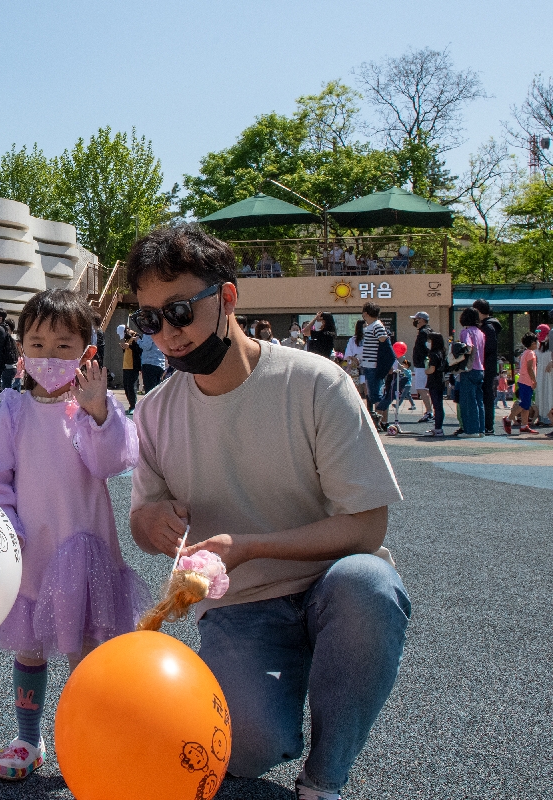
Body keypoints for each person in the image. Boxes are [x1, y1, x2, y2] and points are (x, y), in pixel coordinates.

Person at [125, 225, 408, 800]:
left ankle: (324, 778)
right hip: (239, 607)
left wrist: (252, 546)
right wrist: (148, 525)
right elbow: (142, 520)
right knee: (246, 750)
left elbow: (367, 527)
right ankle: (275, 696)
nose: (167, 335)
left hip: (331, 584)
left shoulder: (315, 384)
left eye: (179, 311)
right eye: (149, 319)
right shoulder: (154, 412)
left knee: (370, 585)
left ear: (228, 299)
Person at [0, 288, 145, 781]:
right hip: (33, 547)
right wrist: (8, 532)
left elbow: (112, 461)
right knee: (30, 647)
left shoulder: (90, 407)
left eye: (63, 346)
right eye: (38, 344)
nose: (49, 358)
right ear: (21, 349)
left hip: (86, 545)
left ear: (87, 352)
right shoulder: (10, 409)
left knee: (86, 651)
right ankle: (28, 739)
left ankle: (89, 735)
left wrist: (99, 413)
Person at [359, 302, 391, 428]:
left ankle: (378, 421)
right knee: (373, 394)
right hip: (369, 364)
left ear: (366, 313)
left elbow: (383, 339)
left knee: (375, 395)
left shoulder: (377, 326)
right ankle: (381, 421)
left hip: (373, 365)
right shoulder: (372, 326)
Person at [473, 300, 503, 435]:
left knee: (486, 396)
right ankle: (486, 425)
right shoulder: (490, 325)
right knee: (487, 395)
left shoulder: (488, 327)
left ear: (479, 311)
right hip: (488, 366)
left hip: (485, 366)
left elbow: (488, 349)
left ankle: (488, 425)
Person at [503, 332, 540, 435]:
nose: (537, 343)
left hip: (523, 381)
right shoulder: (531, 353)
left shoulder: (525, 353)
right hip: (527, 381)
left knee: (526, 405)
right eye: (536, 342)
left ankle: (524, 425)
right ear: (533, 343)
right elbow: (530, 368)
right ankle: (508, 419)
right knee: (525, 404)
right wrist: (534, 380)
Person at [457, 307, 486, 437]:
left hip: (468, 369)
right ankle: (481, 429)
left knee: (468, 401)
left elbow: (467, 347)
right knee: (479, 401)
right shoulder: (481, 333)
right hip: (480, 368)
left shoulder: (466, 331)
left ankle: (471, 430)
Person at [409, 312, 434, 423]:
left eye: (416, 319)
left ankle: (429, 412)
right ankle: (430, 411)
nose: (415, 321)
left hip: (422, 365)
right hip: (424, 364)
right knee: (426, 389)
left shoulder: (424, 332)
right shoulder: (427, 331)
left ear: (422, 320)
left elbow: (427, 349)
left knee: (421, 388)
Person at [424, 332, 449, 437]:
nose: (428, 342)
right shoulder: (442, 352)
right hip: (440, 381)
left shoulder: (433, 354)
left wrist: (426, 370)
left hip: (433, 381)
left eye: (429, 340)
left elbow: (431, 369)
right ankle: (438, 427)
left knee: (436, 405)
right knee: (439, 405)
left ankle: (438, 428)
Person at [535, 325, 553, 435]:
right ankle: (542, 417)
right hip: (541, 374)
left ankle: (548, 418)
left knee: (549, 395)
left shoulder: (549, 346)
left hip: (549, 374)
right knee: (541, 394)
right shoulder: (538, 346)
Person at [120, 327, 141, 412]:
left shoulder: (137, 336)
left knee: (131, 386)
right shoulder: (127, 338)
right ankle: (130, 405)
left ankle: (133, 406)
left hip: (133, 365)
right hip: (126, 365)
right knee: (126, 386)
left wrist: (130, 346)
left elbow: (139, 350)